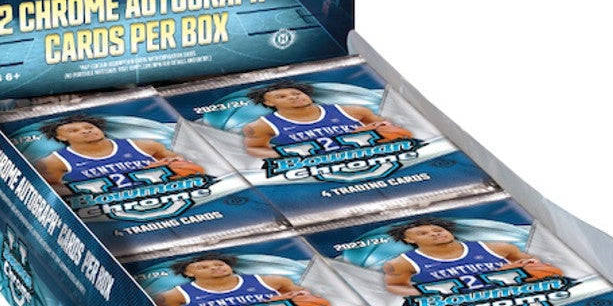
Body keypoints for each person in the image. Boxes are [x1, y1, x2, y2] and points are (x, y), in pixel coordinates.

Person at [32, 114, 204, 201]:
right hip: (107, 204)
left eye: (89, 127)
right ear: (61, 137)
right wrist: (89, 191)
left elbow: (185, 165)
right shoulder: (55, 160)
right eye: (74, 131)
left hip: (159, 195)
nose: (85, 131)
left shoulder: (144, 145)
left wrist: (171, 165)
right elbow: (50, 192)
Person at [381, 219, 562, 297]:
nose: (435, 234)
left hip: (507, 295)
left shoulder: (497, 247)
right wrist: (430, 294)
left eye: (438, 230)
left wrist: (531, 265)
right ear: (409, 240)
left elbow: (534, 264)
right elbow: (394, 286)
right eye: (423, 233)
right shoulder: (402, 262)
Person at [152, 254, 332, 306]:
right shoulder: (177, 294)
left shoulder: (271, 281)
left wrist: (298, 297)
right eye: (203, 267)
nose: (214, 268)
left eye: (219, 264)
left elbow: (310, 298)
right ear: (188, 273)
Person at [241, 81, 409, 159]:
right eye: (282, 97)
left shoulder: (352, 111)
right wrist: (290, 156)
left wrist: (381, 127)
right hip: (315, 166)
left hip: (363, 157)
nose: (293, 97)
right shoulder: (262, 125)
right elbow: (254, 149)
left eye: (297, 93)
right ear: (268, 103)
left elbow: (385, 126)